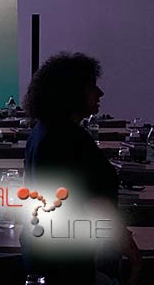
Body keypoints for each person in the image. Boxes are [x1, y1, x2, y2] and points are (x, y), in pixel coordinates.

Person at [21, 52, 140, 285]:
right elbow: (96, 202)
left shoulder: (41, 132)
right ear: (72, 92)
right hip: (68, 265)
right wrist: (132, 253)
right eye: (92, 86)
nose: (100, 93)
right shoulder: (69, 138)